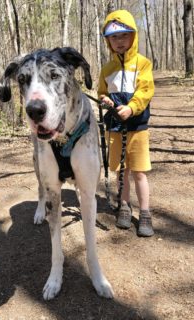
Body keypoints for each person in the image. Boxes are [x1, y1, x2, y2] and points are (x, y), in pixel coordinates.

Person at [97, 9, 155, 237]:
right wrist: (105, 100)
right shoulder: (107, 69)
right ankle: (124, 205)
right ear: (108, 41)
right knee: (122, 170)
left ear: (133, 36)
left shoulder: (143, 64)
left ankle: (145, 213)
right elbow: (102, 92)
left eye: (124, 36)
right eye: (114, 37)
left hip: (137, 127)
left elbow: (146, 89)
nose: (119, 42)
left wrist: (131, 108)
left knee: (139, 172)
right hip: (114, 128)